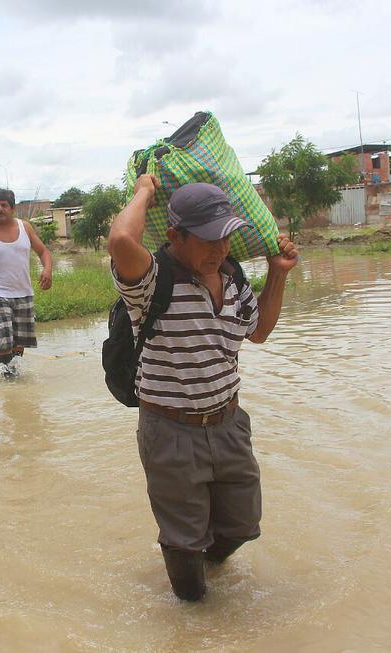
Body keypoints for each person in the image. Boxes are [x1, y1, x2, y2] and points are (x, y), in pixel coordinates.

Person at [106, 176, 299, 602]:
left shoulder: (231, 276)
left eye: (226, 237)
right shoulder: (152, 283)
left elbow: (259, 331)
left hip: (230, 423)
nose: (220, 249)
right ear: (176, 236)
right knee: (183, 542)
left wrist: (278, 274)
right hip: (171, 432)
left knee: (242, 525)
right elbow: (121, 238)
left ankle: (209, 565)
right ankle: (193, 616)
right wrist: (144, 191)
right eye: (208, 240)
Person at [0, 188, 53, 375]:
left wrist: (47, 270)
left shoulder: (25, 227)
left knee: (20, 341)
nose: (0, 209)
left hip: (24, 292)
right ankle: (8, 378)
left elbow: (44, 252)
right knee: (5, 336)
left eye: (4, 205)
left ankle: (13, 375)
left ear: (12, 208)